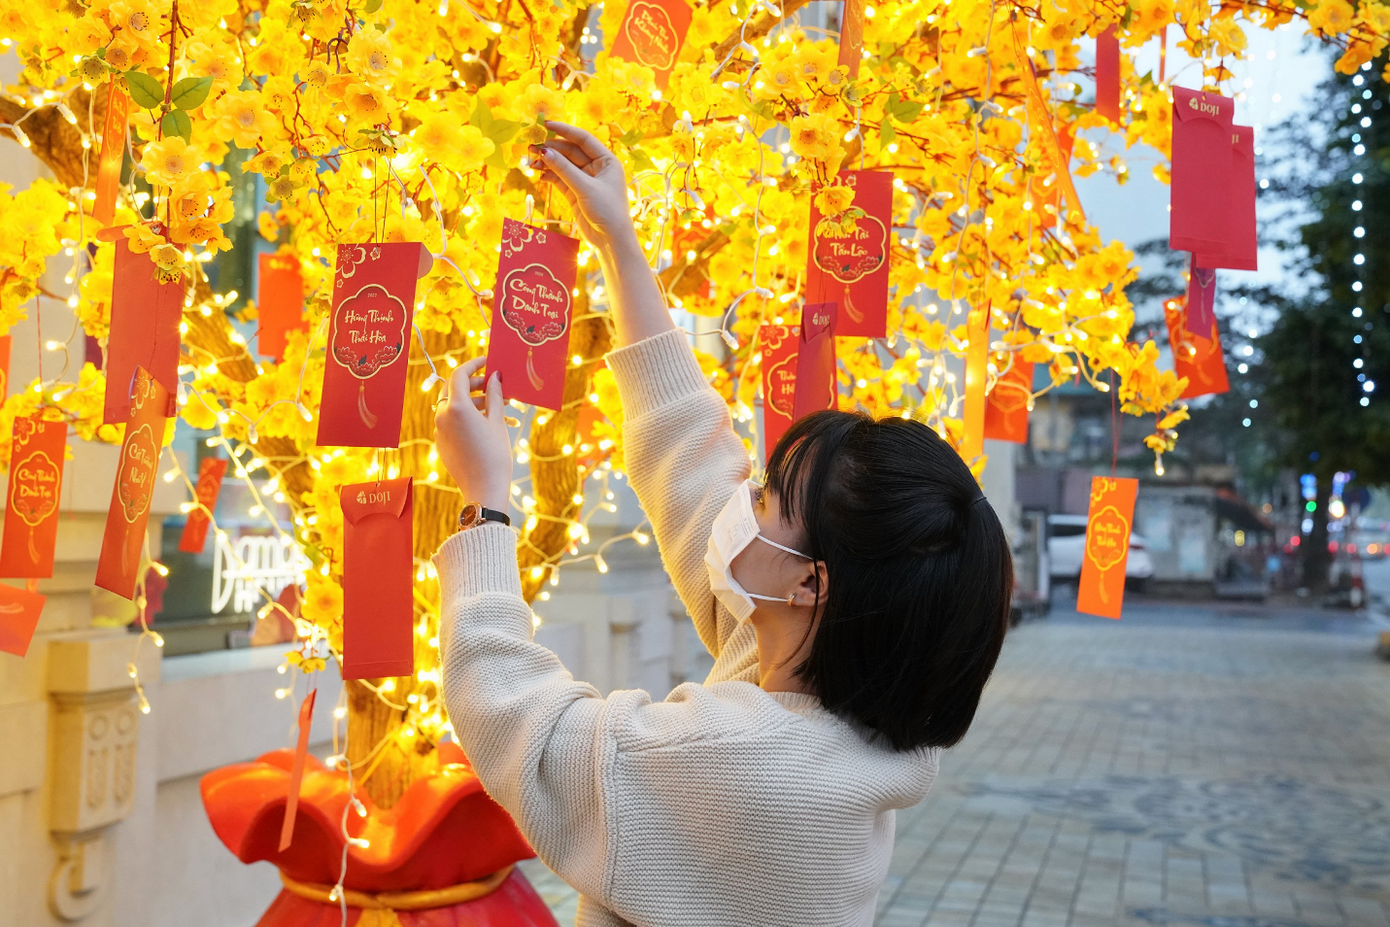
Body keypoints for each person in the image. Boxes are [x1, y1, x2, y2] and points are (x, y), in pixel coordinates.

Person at [432, 121, 1014, 927]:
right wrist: (617, 242)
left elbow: (517, 720)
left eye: (770, 498)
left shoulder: (741, 764)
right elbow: (691, 459)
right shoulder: (840, 685)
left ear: (813, 583)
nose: (744, 502)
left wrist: (484, 501)